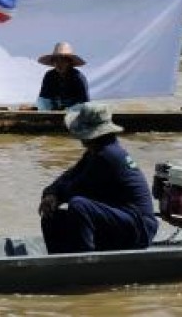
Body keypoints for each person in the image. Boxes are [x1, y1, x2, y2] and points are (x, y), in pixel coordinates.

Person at [38, 102, 158, 254]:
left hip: (140, 228)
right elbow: (69, 176)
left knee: (79, 205)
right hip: (120, 221)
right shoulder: (95, 152)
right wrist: (50, 193)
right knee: (51, 216)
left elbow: (76, 187)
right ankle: (60, 262)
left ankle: (86, 263)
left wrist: (56, 195)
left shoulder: (108, 156)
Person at [36, 41, 89, 111]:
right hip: (53, 111)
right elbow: (43, 98)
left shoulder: (78, 77)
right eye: (56, 61)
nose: (59, 64)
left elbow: (84, 103)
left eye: (63, 60)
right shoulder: (49, 76)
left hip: (74, 114)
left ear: (69, 62)